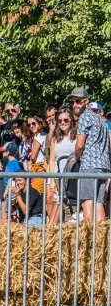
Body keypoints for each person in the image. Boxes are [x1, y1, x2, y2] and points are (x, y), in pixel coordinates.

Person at [69, 87, 110, 223]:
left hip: (89, 166)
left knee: (87, 202)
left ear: (86, 101)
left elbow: (80, 145)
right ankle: (100, 242)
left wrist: (75, 157)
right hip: (103, 167)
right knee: (99, 204)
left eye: (78, 101)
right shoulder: (101, 120)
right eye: (73, 102)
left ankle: (89, 240)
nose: (74, 105)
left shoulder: (85, 117)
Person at [46, 107, 76, 223]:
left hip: (73, 178)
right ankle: (53, 233)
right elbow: (52, 160)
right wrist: (52, 181)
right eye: (60, 120)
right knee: (60, 206)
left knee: (71, 209)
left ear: (71, 121)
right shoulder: (55, 139)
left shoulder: (77, 137)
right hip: (60, 178)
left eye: (66, 120)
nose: (63, 123)